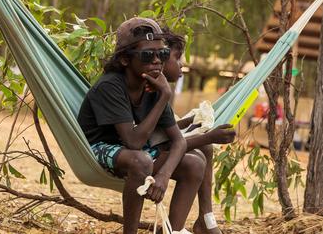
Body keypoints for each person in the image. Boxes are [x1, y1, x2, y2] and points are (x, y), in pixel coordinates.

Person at [77, 18, 205, 234]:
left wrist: (163, 177)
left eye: (162, 54)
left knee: (195, 165)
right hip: (97, 149)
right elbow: (134, 142)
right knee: (141, 160)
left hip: (132, 152)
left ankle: (169, 231)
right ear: (126, 59)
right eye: (147, 55)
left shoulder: (154, 83)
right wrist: (165, 95)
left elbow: (178, 140)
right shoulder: (111, 85)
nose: (157, 61)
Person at [162, 28, 236, 234]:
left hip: (153, 146)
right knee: (199, 156)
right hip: (142, 154)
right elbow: (159, 140)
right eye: (178, 57)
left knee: (205, 146)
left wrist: (189, 121)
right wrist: (210, 135)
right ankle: (177, 228)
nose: (182, 63)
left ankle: (206, 218)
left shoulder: (158, 89)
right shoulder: (156, 90)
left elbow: (163, 130)